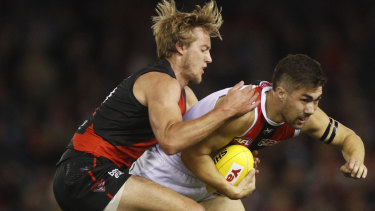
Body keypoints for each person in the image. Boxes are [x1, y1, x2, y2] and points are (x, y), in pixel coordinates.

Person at [52, 0, 260, 210]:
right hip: (85, 172)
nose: (209, 58)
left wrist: (240, 154)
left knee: (225, 205)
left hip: (110, 173)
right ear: (180, 47)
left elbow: (200, 141)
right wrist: (226, 110)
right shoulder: (161, 82)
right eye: (204, 49)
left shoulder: (183, 94)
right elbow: (170, 140)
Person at [130, 54, 368, 211]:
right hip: (163, 176)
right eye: (305, 100)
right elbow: (190, 155)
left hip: (205, 185)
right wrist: (229, 189)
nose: (311, 109)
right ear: (282, 93)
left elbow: (348, 137)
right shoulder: (245, 113)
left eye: (316, 100)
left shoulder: (306, 117)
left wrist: (356, 160)